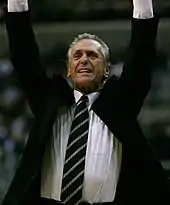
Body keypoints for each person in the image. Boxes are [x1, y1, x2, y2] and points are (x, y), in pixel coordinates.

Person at [2, 0, 169, 205]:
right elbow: (23, 54)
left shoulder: (120, 104)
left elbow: (142, 55)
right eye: (77, 56)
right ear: (69, 71)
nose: (84, 60)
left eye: (92, 55)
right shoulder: (49, 101)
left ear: (106, 69)